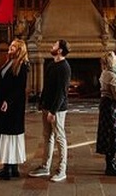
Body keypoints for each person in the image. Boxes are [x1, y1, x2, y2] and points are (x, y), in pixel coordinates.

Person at [29, 39, 71, 182]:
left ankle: (62, 169)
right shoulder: (51, 65)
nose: (51, 46)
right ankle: (45, 166)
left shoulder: (65, 68)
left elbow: (62, 93)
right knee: (47, 137)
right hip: (47, 107)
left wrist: (53, 111)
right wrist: (42, 104)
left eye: (55, 45)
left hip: (57, 109)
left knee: (60, 137)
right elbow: (47, 87)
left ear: (60, 50)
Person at [0, 39, 30, 180]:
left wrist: (8, 101)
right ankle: (12, 168)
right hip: (5, 104)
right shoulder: (9, 62)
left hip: (13, 107)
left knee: (10, 135)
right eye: (10, 46)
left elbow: (19, 88)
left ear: (19, 50)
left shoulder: (22, 65)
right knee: (7, 135)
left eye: (13, 47)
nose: (9, 48)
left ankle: (8, 168)